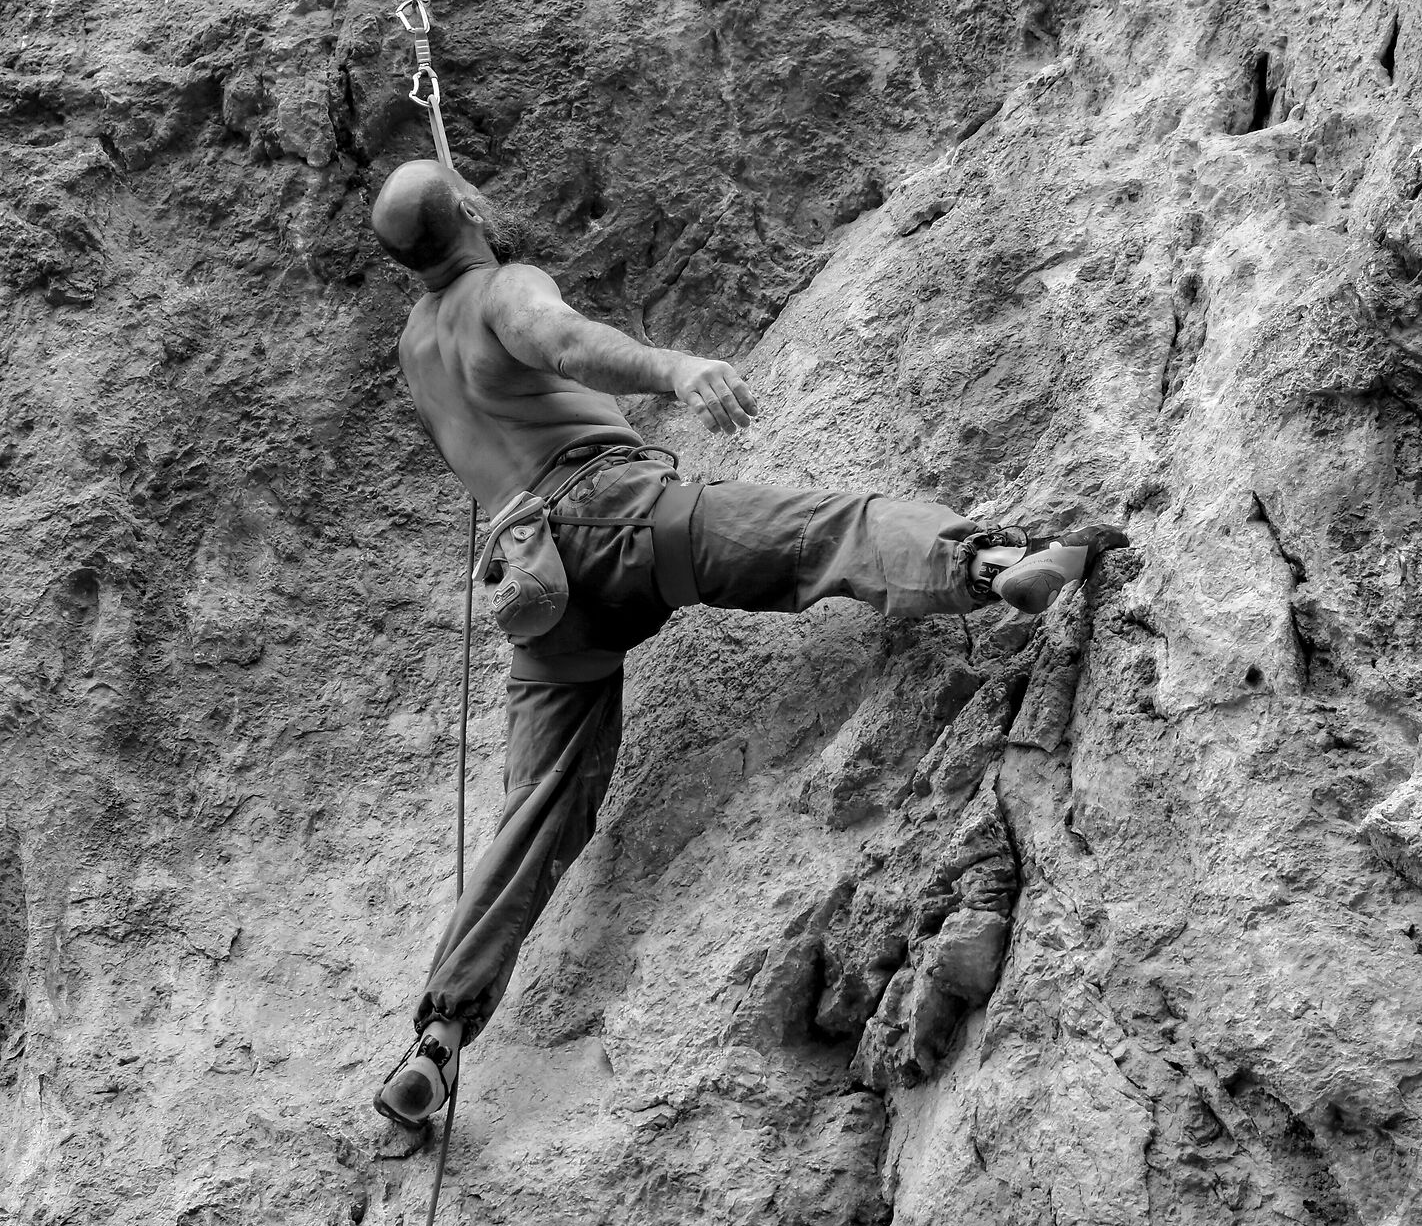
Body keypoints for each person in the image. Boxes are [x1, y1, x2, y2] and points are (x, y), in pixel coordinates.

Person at [368, 158, 1087, 1128]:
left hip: (540, 595)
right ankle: (993, 567)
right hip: (616, 520)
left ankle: (441, 1034)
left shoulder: (416, 345)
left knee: (536, 811)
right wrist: (675, 370)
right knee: (821, 532)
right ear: (467, 211)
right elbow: (558, 339)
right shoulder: (504, 287)